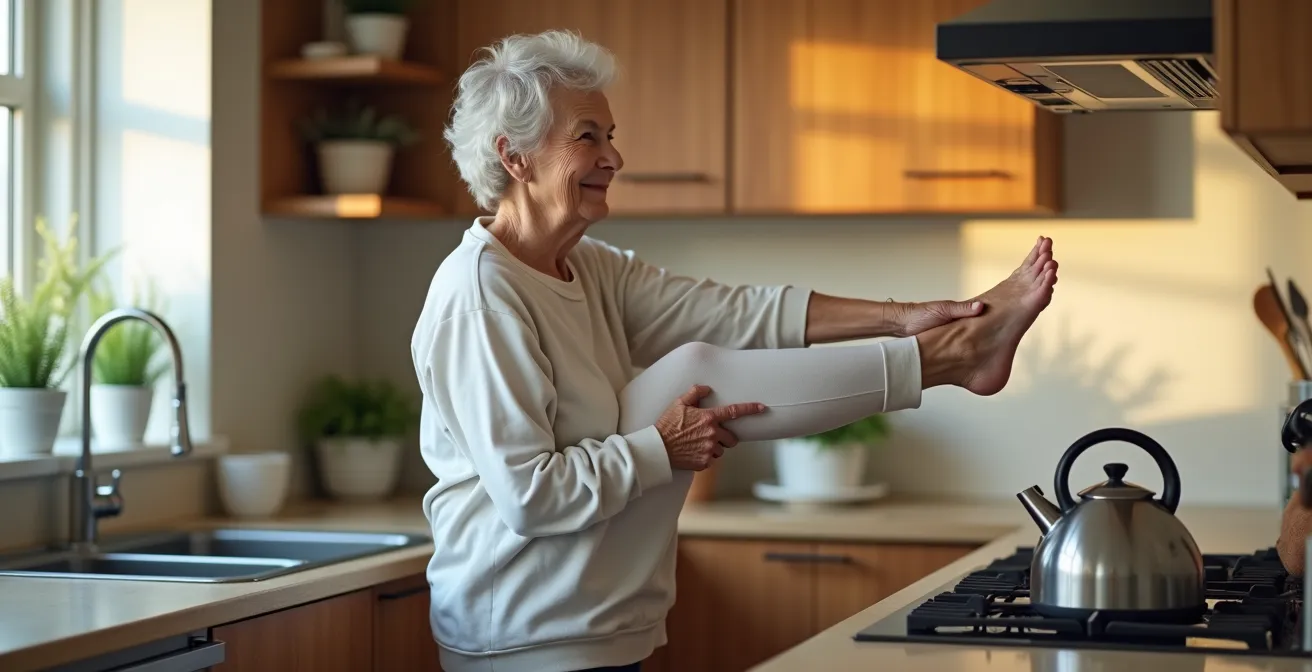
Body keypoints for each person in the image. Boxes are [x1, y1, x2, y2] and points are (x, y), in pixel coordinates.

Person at [412, 29, 1059, 672]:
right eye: (588, 137)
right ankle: (953, 359)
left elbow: (736, 313)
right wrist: (660, 446)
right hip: (520, 637)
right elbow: (530, 496)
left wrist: (902, 317)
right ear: (516, 156)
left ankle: (953, 356)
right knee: (691, 377)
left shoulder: (588, 266)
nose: (614, 157)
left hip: (599, 621)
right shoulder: (482, 297)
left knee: (693, 369)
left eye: (611, 135)